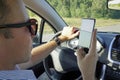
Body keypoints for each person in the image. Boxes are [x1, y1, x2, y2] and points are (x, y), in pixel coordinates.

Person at [0, 0, 98, 79]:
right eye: (29, 26)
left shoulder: (6, 64)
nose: (34, 35)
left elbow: (31, 58)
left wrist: (61, 39)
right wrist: (88, 75)